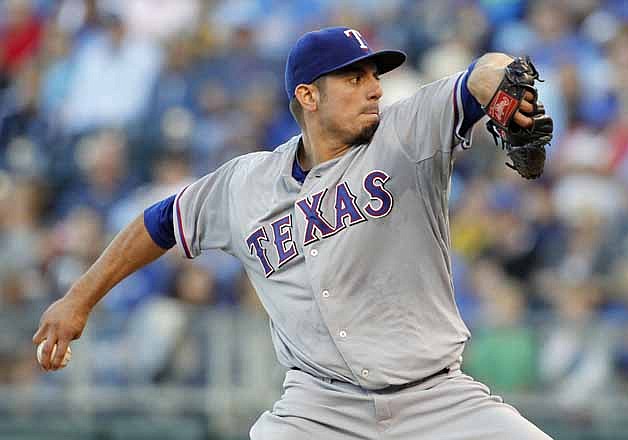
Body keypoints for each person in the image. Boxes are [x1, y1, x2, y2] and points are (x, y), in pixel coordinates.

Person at [34, 27, 553, 439]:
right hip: (318, 412)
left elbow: (483, 74)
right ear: (308, 95)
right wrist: (79, 299)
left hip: (436, 401)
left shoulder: (407, 132)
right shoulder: (245, 183)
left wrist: (505, 86)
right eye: (353, 79)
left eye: (374, 75)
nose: (374, 87)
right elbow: (160, 223)